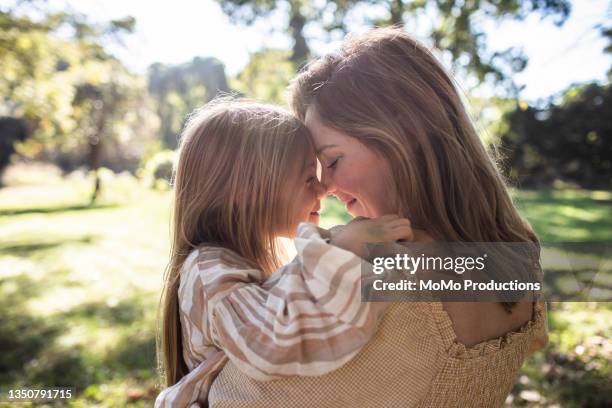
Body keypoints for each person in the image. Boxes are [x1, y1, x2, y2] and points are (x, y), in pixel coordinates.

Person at [207, 28, 548, 407]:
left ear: (401, 134)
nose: (328, 187)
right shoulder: (519, 258)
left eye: (333, 161)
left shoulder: (379, 272)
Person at [154, 98, 413, 407]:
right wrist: (343, 252)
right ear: (245, 192)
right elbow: (269, 342)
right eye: (308, 178)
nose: (323, 189)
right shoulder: (208, 271)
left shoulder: (236, 263)